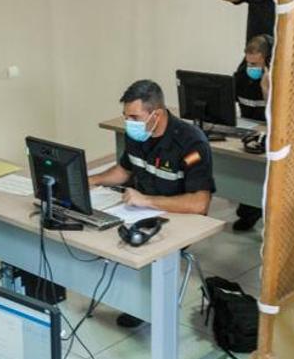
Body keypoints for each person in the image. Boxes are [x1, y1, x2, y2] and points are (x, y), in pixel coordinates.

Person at [90, 80, 216, 327]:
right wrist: (90, 180)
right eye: (126, 116)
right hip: (138, 209)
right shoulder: (138, 134)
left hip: (177, 217)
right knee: (99, 231)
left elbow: (200, 204)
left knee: (129, 243)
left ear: (156, 114)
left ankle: (143, 306)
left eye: (134, 116)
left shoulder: (191, 143)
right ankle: (129, 298)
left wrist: (146, 200)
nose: (129, 123)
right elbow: (123, 171)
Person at [230, 34, 273, 232]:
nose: (251, 69)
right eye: (248, 63)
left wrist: (267, 89)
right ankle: (248, 209)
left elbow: (278, 115)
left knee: (255, 173)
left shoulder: (276, 81)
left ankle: (253, 211)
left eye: (256, 64)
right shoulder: (241, 77)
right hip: (246, 130)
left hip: (269, 135)